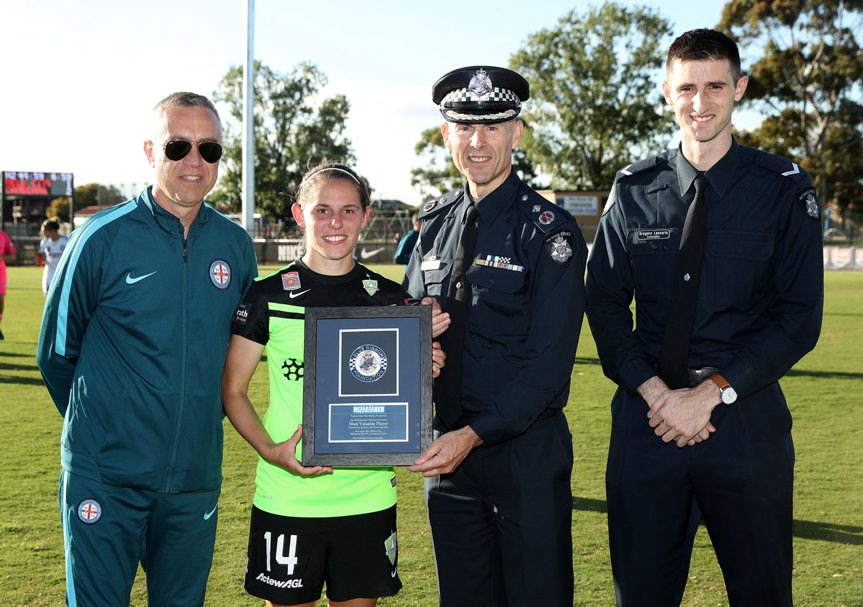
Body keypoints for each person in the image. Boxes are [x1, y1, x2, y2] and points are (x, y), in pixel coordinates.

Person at [585, 29, 823, 606]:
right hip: (647, 423)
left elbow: (799, 320)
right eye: (687, 87)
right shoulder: (634, 190)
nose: (700, 102)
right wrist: (656, 393)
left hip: (745, 424)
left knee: (762, 593)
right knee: (640, 595)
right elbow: (605, 305)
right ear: (667, 91)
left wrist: (710, 394)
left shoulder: (782, 190)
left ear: (739, 89)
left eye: (715, 85)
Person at [36, 91, 258, 606]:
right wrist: (107, 432)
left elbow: (243, 351)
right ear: (149, 151)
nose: (194, 161)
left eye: (210, 149)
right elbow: (55, 354)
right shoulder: (102, 237)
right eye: (178, 146)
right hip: (106, 479)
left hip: (194, 480)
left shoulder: (233, 245)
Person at [222, 161, 448, 607]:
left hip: (366, 496)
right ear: (299, 215)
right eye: (322, 210)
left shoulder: (391, 300)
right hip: (288, 495)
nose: (335, 223)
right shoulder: (267, 295)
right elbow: (232, 390)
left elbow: (399, 389)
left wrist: (426, 365)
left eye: (348, 210)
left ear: (366, 216)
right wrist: (272, 451)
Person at [403, 66, 587, 606]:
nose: (477, 141)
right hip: (447, 457)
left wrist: (472, 436)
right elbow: (408, 318)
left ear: (517, 133)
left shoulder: (548, 231)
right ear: (446, 135)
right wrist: (420, 340)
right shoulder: (433, 223)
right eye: (463, 127)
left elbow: (548, 367)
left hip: (523, 453)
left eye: (493, 126)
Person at [38, 217, 68, 296]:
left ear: (52, 230)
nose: (43, 233)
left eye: (44, 231)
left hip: (63, 276)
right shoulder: (44, 243)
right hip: (49, 276)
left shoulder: (66, 241)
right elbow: (44, 258)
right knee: (49, 300)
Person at [0, 228, 15, 340]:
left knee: (0, 300)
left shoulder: (3, 235)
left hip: (1, 273)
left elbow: (12, 255)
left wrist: (1, 258)